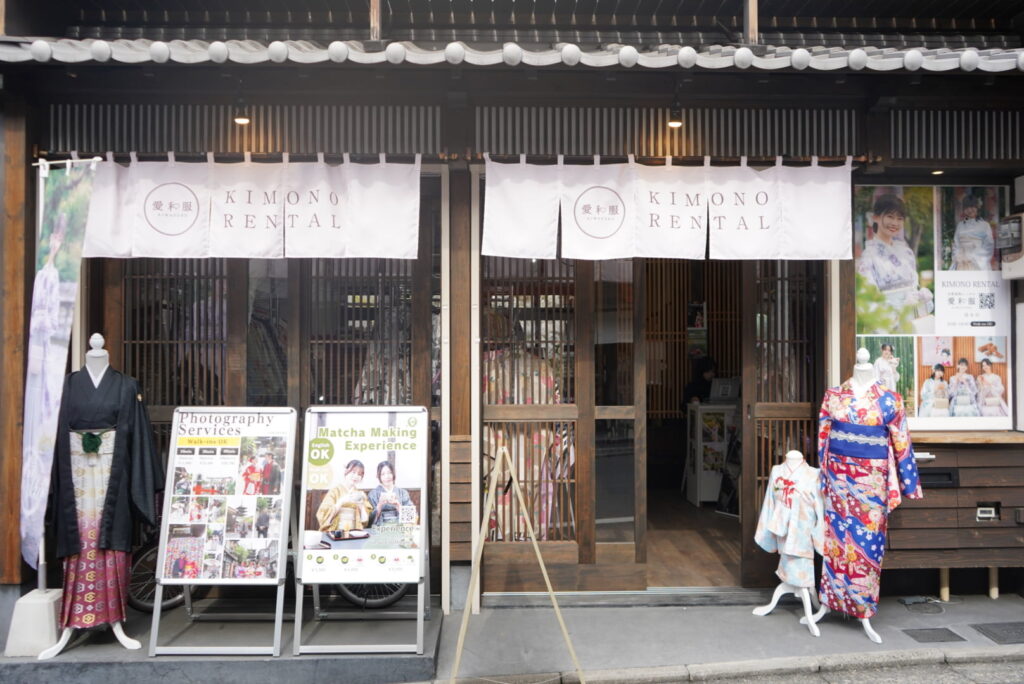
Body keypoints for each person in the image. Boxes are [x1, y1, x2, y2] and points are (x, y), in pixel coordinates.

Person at [857, 193, 933, 320]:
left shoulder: (906, 252)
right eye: (890, 217)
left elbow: (914, 287)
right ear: (875, 217)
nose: (895, 223)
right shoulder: (869, 256)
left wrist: (921, 297)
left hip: (913, 317)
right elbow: (868, 298)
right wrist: (899, 309)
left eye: (899, 218)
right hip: (887, 320)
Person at [315, 459, 372, 532]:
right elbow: (323, 515)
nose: (356, 476)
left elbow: (364, 522)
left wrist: (361, 506)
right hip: (336, 530)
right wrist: (341, 502)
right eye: (353, 472)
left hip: (354, 531)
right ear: (346, 472)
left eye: (359, 474)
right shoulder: (335, 491)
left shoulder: (360, 494)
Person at [951, 194, 994, 271]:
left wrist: (972, 256)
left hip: (978, 262)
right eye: (967, 208)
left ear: (977, 207)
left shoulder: (985, 225)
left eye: (972, 207)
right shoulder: (960, 225)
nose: (970, 210)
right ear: (963, 209)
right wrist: (958, 256)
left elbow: (988, 246)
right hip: (962, 263)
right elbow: (956, 244)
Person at [368, 461, 414, 527]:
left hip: (400, 528)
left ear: (393, 474)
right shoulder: (373, 494)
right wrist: (379, 505)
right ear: (379, 476)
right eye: (383, 474)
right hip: (379, 530)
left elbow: (410, 517)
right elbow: (368, 521)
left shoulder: (403, 493)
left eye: (389, 473)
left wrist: (398, 505)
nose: (387, 476)